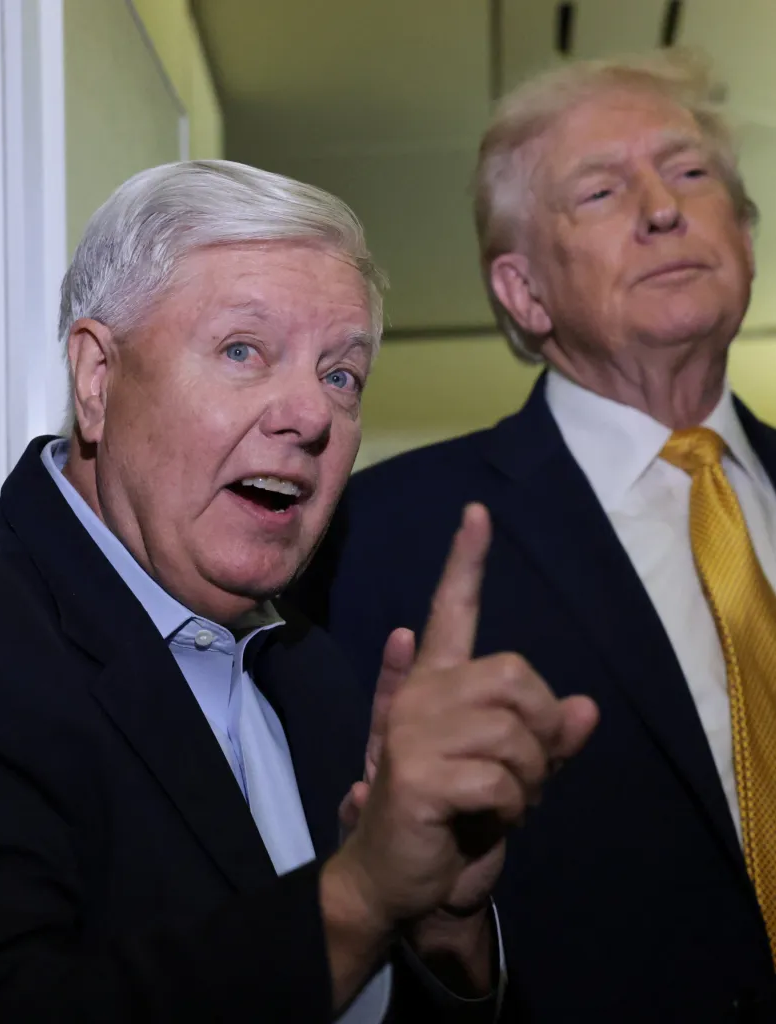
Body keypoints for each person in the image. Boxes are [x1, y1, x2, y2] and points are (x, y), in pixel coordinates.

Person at [0, 160, 597, 1022]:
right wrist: (359, 896)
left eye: (340, 375)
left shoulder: (313, 671)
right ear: (96, 379)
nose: (310, 415)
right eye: (243, 350)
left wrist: (442, 920)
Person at [289, 53, 776, 1022]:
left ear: (747, 233)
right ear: (523, 292)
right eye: (598, 190)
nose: (662, 209)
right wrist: (446, 940)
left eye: (689, 173)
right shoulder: (378, 540)